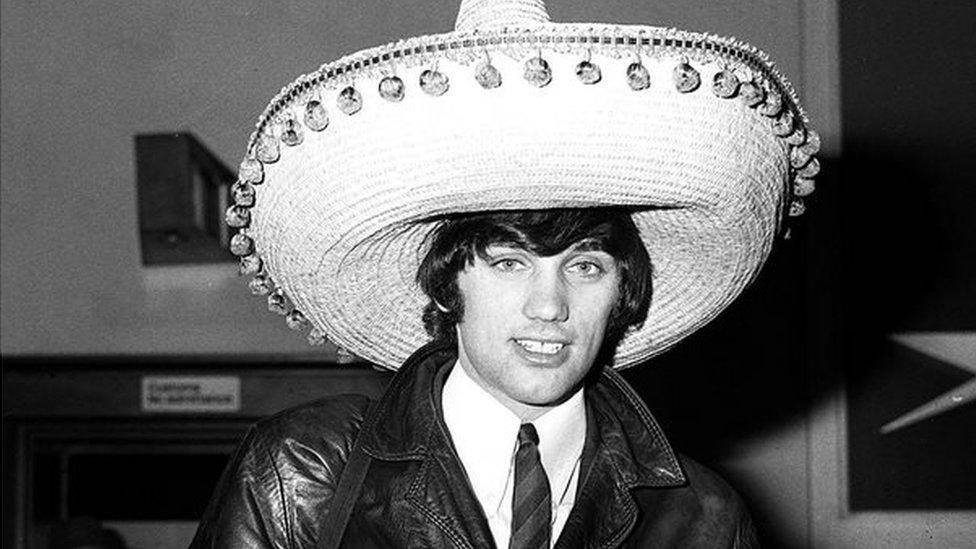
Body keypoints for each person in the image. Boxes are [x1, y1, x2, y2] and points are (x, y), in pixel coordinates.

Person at [192, 0, 821, 547]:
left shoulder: (702, 516)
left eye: (585, 266)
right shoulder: (306, 473)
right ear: (446, 286)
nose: (549, 305)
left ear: (622, 292)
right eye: (509, 263)